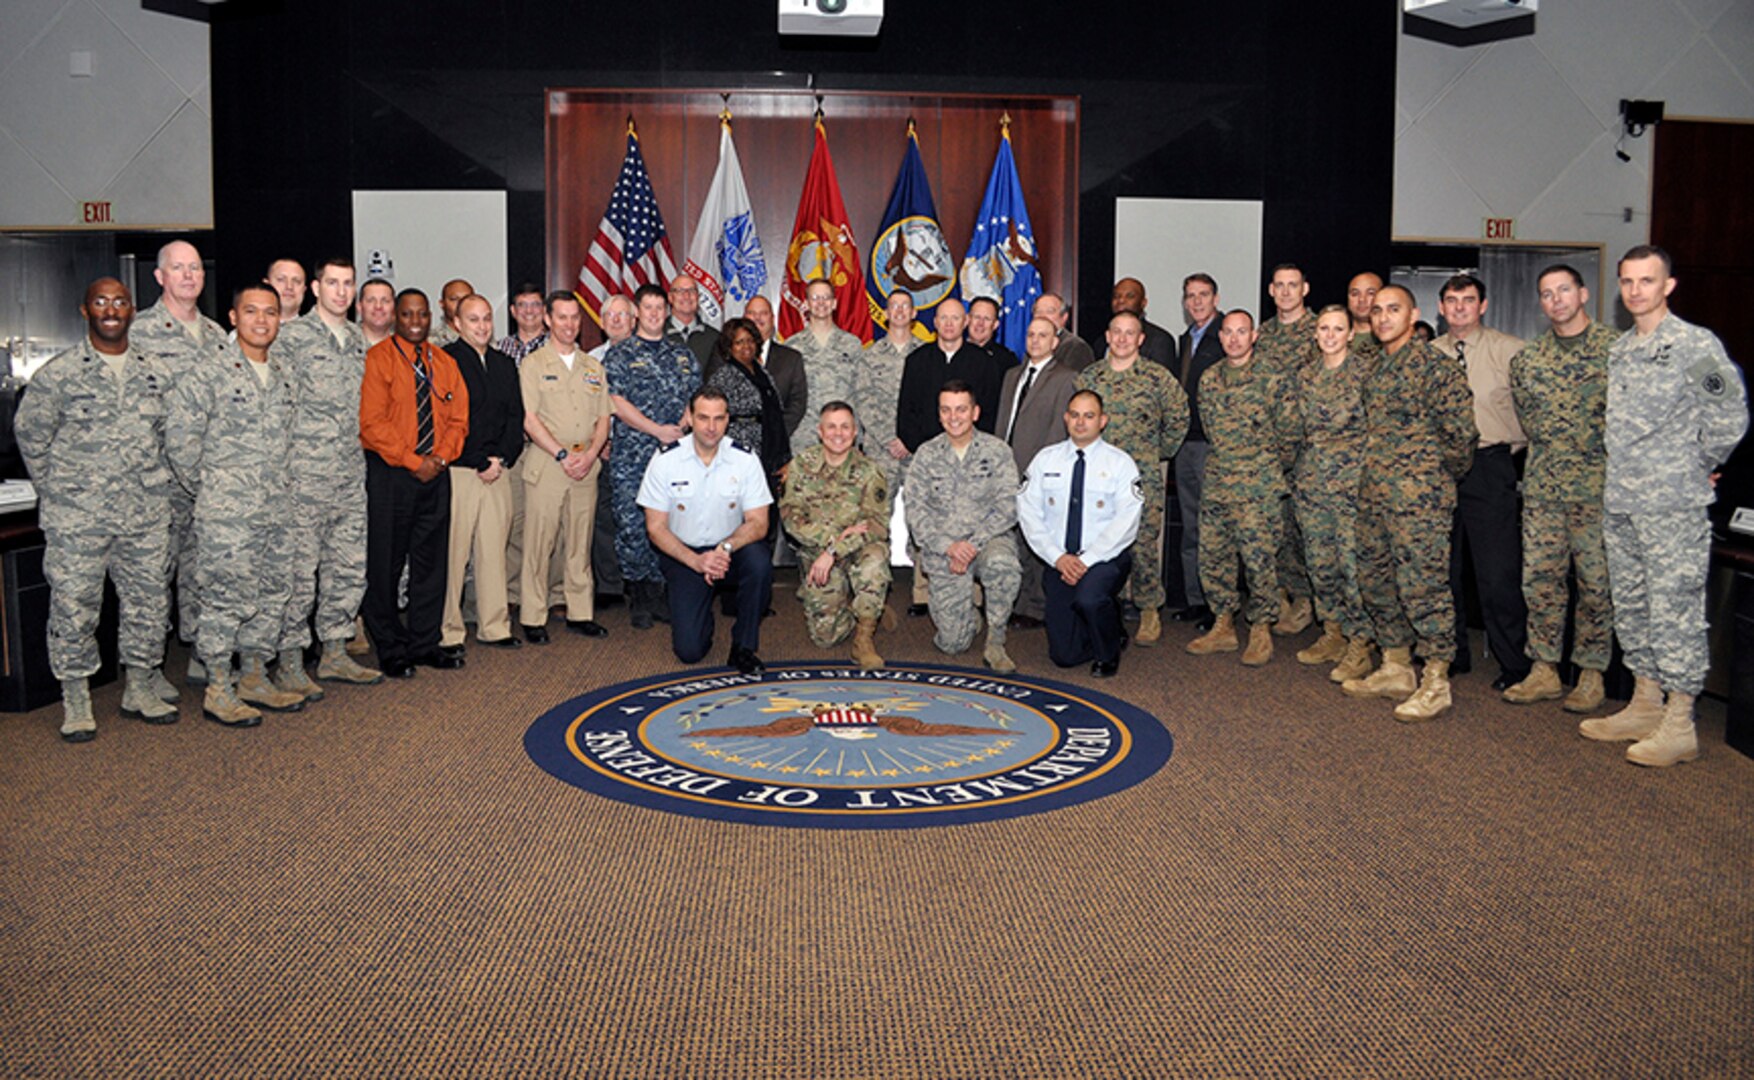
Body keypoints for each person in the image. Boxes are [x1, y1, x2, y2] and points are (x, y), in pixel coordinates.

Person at [1582, 245, 1747, 767]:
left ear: (1667, 286)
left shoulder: (1694, 345)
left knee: (1674, 607)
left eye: (1646, 281)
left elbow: (1729, 416)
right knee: (1632, 603)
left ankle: (1680, 722)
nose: (1635, 291)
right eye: (1627, 281)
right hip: (1624, 499)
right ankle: (1646, 701)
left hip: (1672, 502)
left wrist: (1694, 462)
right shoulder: (1622, 349)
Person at [15, 278, 179, 740]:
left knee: (148, 602)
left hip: (145, 515)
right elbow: (31, 437)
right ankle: (76, 697)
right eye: (101, 302)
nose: (111, 310)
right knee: (74, 606)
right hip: (78, 519)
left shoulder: (156, 373)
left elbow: (171, 441)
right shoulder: (60, 374)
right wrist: (61, 493)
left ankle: (140, 686)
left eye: (120, 302)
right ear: (85, 311)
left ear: (132, 310)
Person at [165, 283, 304, 725]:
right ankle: (218, 687)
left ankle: (255, 676)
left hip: (277, 509)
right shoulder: (208, 373)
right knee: (226, 598)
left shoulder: (284, 373)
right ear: (232, 317)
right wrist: (216, 490)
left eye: (270, 312)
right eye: (251, 312)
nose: (261, 320)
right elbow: (180, 442)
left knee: (272, 594)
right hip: (228, 515)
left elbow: (290, 439)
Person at [1342, 285, 1476, 722]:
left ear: (1414, 314)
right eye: (1376, 311)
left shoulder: (1436, 369)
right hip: (1376, 493)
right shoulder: (1375, 368)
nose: (1382, 318)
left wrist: (1431, 480)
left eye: (1393, 309)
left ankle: (1436, 679)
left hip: (1419, 500)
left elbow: (1461, 439)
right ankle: (1397, 667)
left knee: (1424, 587)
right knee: (1376, 581)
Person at [1502, 265, 1617, 712]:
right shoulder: (1529, 361)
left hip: (1597, 489)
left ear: (1583, 294)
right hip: (1545, 488)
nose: (1556, 301)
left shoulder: (1615, 350)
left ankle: (1590, 674)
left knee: (1595, 583)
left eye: (1564, 290)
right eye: (1547, 294)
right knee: (1541, 581)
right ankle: (1545, 668)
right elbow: (1530, 423)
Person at [274, 256, 382, 694]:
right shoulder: (291, 338)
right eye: (333, 283)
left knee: (348, 566)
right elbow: (278, 406)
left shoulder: (358, 340)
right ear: (315, 289)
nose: (341, 291)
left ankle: (335, 652)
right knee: (299, 573)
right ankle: (290, 661)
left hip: (348, 474)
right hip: (304, 475)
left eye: (348, 284)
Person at [359, 288, 469, 679]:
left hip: (436, 475)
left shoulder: (443, 361)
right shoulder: (379, 359)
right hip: (392, 475)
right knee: (385, 565)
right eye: (407, 315)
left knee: (430, 564)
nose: (416, 322)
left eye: (422, 314)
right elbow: (372, 423)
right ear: (396, 319)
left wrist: (439, 458)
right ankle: (391, 648)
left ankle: (424, 643)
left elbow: (459, 418)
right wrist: (412, 461)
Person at [130, 239, 227, 684]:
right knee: (151, 579)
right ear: (159, 276)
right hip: (157, 482)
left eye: (195, 268)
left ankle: (199, 652)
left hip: (207, 477)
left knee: (202, 569)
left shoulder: (215, 337)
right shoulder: (137, 333)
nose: (189, 276)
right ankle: (145, 671)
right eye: (178, 268)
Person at [1433, 272, 1529, 688]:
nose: (1459, 308)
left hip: (1490, 464)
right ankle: (1453, 654)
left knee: (1497, 573)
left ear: (1483, 305)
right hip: (1438, 468)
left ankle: (1514, 663)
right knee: (1443, 569)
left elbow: (1532, 415)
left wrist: (1505, 452)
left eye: (1468, 300)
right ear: (1441, 307)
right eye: (1452, 301)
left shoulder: (1510, 351)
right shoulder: (1429, 354)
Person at [1185, 311, 1297, 665]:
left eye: (1241, 332)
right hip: (1218, 479)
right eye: (1228, 333)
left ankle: (1261, 627)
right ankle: (1223, 625)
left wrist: (1264, 467)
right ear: (1220, 337)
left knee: (1259, 558)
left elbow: (1290, 435)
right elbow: (1209, 426)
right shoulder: (1210, 378)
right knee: (1214, 555)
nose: (1234, 339)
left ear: (1254, 336)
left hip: (1258, 484)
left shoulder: (1273, 377)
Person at [639, 388, 774, 673]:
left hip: (731, 550)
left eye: (718, 418)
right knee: (690, 651)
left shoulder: (745, 459)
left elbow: (760, 523)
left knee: (760, 563)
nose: (711, 427)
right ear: (689, 417)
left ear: (728, 420)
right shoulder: (665, 460)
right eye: (703, 418)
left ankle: (743, 646)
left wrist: (724, 549)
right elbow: (656, 528)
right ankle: (701, 609)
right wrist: (697, 561)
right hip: (686, 554)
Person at [1077, 311, 1190, 647]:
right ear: (1108, 337)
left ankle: (1149, 609)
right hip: (1097, 479)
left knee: (1143, 546)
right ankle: (1101, 607)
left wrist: (1159, 452)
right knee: (1096, 542)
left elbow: (1179, 416)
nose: (1123, 339)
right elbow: (1076, 422)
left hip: (1141, 479)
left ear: (1141, 339)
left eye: (1130, 334)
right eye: (1117, 332)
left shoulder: (1158, 378)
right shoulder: (1089, 378)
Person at [1017, 390, 1142, 676]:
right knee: (1064, 656)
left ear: (1103, 421)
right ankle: (1105, 621)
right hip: (1059, 561)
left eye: (1089, 416)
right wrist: (1057, 557)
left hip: (1104, 560)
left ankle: (1108, 649)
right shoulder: (1045, 460)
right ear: (1065, 418)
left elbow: (1127, 521)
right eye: (1074, 415)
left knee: (1090, 598)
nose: (1080, 422)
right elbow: (1028, 513)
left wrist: (1088, 560)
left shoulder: (1120, 463)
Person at [904, 381, 1022, 673]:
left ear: (975, 412)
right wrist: (949, 547)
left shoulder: (998, 451)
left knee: (1002, 565)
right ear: (939, 414)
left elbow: (1008, 506)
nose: (953, 417)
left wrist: (972, 545)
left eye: (961, 409)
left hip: (987, 541)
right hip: (943, 549)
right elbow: (915, 511)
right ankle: (970, 616)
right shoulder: (926, 454)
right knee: (952, 643)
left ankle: (996, 641)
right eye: (946, 410)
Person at [517, 291, 612, 644]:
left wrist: (589, 456)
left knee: (579, 543)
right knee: (540, 544)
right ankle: (533, 615)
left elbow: (604, 418)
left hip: (586, 464)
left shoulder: (592, 366)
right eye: (562, 317)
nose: (569, 324)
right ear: (547, 319)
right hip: (548, 463)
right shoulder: (534, 364)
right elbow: (529, 418)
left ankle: (580, 612)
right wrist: (561, 455)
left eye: (575, 318)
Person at [606, 283, 701, 629]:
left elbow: (697, 401)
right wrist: (656, 430)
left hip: (675, 455)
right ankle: (640, 595)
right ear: (636, 313)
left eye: (660, 308)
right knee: (632, 525)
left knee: (671, 524)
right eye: (647, 308)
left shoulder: (683, 355)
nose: (654, 314)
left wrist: (678, 428)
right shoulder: (620, 354)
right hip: (633, 455)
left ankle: (663, 591)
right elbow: (616, 402)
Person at [1291, 306, 1373, 681]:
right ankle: (1333, 632)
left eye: (1337, 329)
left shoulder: (1365, 372)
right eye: (1323, 328)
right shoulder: (1305, 375)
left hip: (1351, 485)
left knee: (1351, 566)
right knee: (1320, 564)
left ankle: (1360, 642)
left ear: (1350, 334)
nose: (1329, 335)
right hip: (1312, 484)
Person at [779, 401, 893, 669]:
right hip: (817, 552)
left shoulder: (870, 472)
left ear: (855, 432)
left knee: (874, 562)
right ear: (820, 431)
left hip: (858, 551)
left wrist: (835, 550)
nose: (838, 433)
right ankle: (862, 605)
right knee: (825, 638)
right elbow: (790, 517)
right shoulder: (801, 466)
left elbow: (876, 526)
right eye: (831, 427)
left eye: (845, 427)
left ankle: (863, 638)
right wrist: (833, 539)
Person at [440, 294, 526, 652]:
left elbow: (515, 417)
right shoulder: (446, 360)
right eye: (473, 319)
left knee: (493, 552)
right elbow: (446, 421)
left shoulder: (505, 364)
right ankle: (448, 632)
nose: (482, 326)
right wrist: (478, 459)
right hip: (461, 470)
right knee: (453, 555)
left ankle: (494, 626)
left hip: (498, 469)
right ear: (457, 323)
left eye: (487, 318)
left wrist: (501, 458)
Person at [996, 315, 1080, 629]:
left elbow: (1059, 431)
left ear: (1055, 342)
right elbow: (1004, 423)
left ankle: (1034, 608)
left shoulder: (1066, 377)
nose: (1035, 341)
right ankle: (1014, 602)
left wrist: (1042, 473)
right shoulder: (1012, 375)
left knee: (1038, 538)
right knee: (1014, 538)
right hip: (1008, 469)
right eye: (1030, 334)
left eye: (1042, 336)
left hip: (1041, 472)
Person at [1253, 264, 1317, 634]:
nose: (1287, 292)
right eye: (1281, 286)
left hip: (1312, 447)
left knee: (1305, 527)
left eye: (1294, 285)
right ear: (1272, 291)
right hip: (1272, 446)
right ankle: (1280, 596)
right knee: (1274, 526)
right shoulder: (1264, 335)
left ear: (1305, 289)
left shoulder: (1320, 331)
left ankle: (1306, 599)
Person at [1170, 273, 1224, 629]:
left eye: (1203, 295)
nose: (1197, 302)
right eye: (1190, 296)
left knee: (1212, 530)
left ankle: (1215, 606)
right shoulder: (1185, 340)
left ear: (1215, 298)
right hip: (1185, 444)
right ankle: (1194, 599)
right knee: (1190, 526)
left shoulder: (1224, 336)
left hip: (1213, 445)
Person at [704, 317, 791, 512]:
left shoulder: (762, 373)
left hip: (772, 452)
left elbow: (775, 412)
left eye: (750, 340)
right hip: (742, 457)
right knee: (746, 515)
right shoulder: (723, 377)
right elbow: (713, 419)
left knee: (771, 514)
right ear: (729, 347)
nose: (746, 346)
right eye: (739, 342)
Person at [895, 298, 1002, 451]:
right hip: (925, 456)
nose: (949, 323)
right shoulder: (916, 360)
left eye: (955, 318)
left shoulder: (984, 362)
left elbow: (990, 413)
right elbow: (906, 413)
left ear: (965, 322)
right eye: (944, 318)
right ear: (935, 322)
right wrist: (923, 449)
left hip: (971, 454)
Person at [783, 279, 863, 453]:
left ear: (834, 303)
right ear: (806, 303)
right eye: (815, 297)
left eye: (826, 298)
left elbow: (861, 391)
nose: (821, 303)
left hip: (842, 436)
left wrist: (860, 434)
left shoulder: (852, 344)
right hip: (804, 436)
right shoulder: (792, 346)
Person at [744, 295, 808, 449]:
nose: (757, 318)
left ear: (773, 319)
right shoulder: (727, 355)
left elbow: (797, 403)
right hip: (737, 446)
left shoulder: (791, 358)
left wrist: (776, 435)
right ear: (744, 318)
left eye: (763, 313)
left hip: (777, 446)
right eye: (752, 313)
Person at [1110, 277, 1176, 368]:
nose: (1121, 301)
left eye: (1130, 296)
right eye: (1116, 296)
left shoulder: (1160, 340)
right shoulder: (1101, 343)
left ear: (1143, 303)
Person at [1032, 292, 1096, 372]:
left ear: (1064, 317)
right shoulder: (1032, 345)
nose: (1043, 316)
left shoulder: (1076, 348)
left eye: (1050, 311)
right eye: (1038, 311)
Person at [664, 274, 718, 366]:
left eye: (692, 291)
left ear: (698, 297)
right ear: (670, 297)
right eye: (680, 291)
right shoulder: (656, 336)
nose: (686, 296)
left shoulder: (715, 339)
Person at [496, 282, 549, 365]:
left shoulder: (556, 346)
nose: (529, 311)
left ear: (544, 309)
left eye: (535, 304)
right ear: (513, 311)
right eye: (522, 305)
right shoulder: (500, 348)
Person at [966, 296, 1019, 369]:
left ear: (995, 325)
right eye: (977, 317)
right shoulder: (952, 352)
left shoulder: (1006, 360)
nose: (980, 323)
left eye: (987, 319)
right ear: (968, 319)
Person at [429, 278, 473, 348]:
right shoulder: (429, 342)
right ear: (442, 304)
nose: (461, 304)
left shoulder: (483, 338)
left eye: (467, 299)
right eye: (454, 299)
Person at [357, 277, 396, 348]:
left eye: (385, 301)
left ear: (394, 308)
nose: (378, 306)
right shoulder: (343, 344)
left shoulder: (404, 345)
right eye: (371, 300)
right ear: (359, 307)